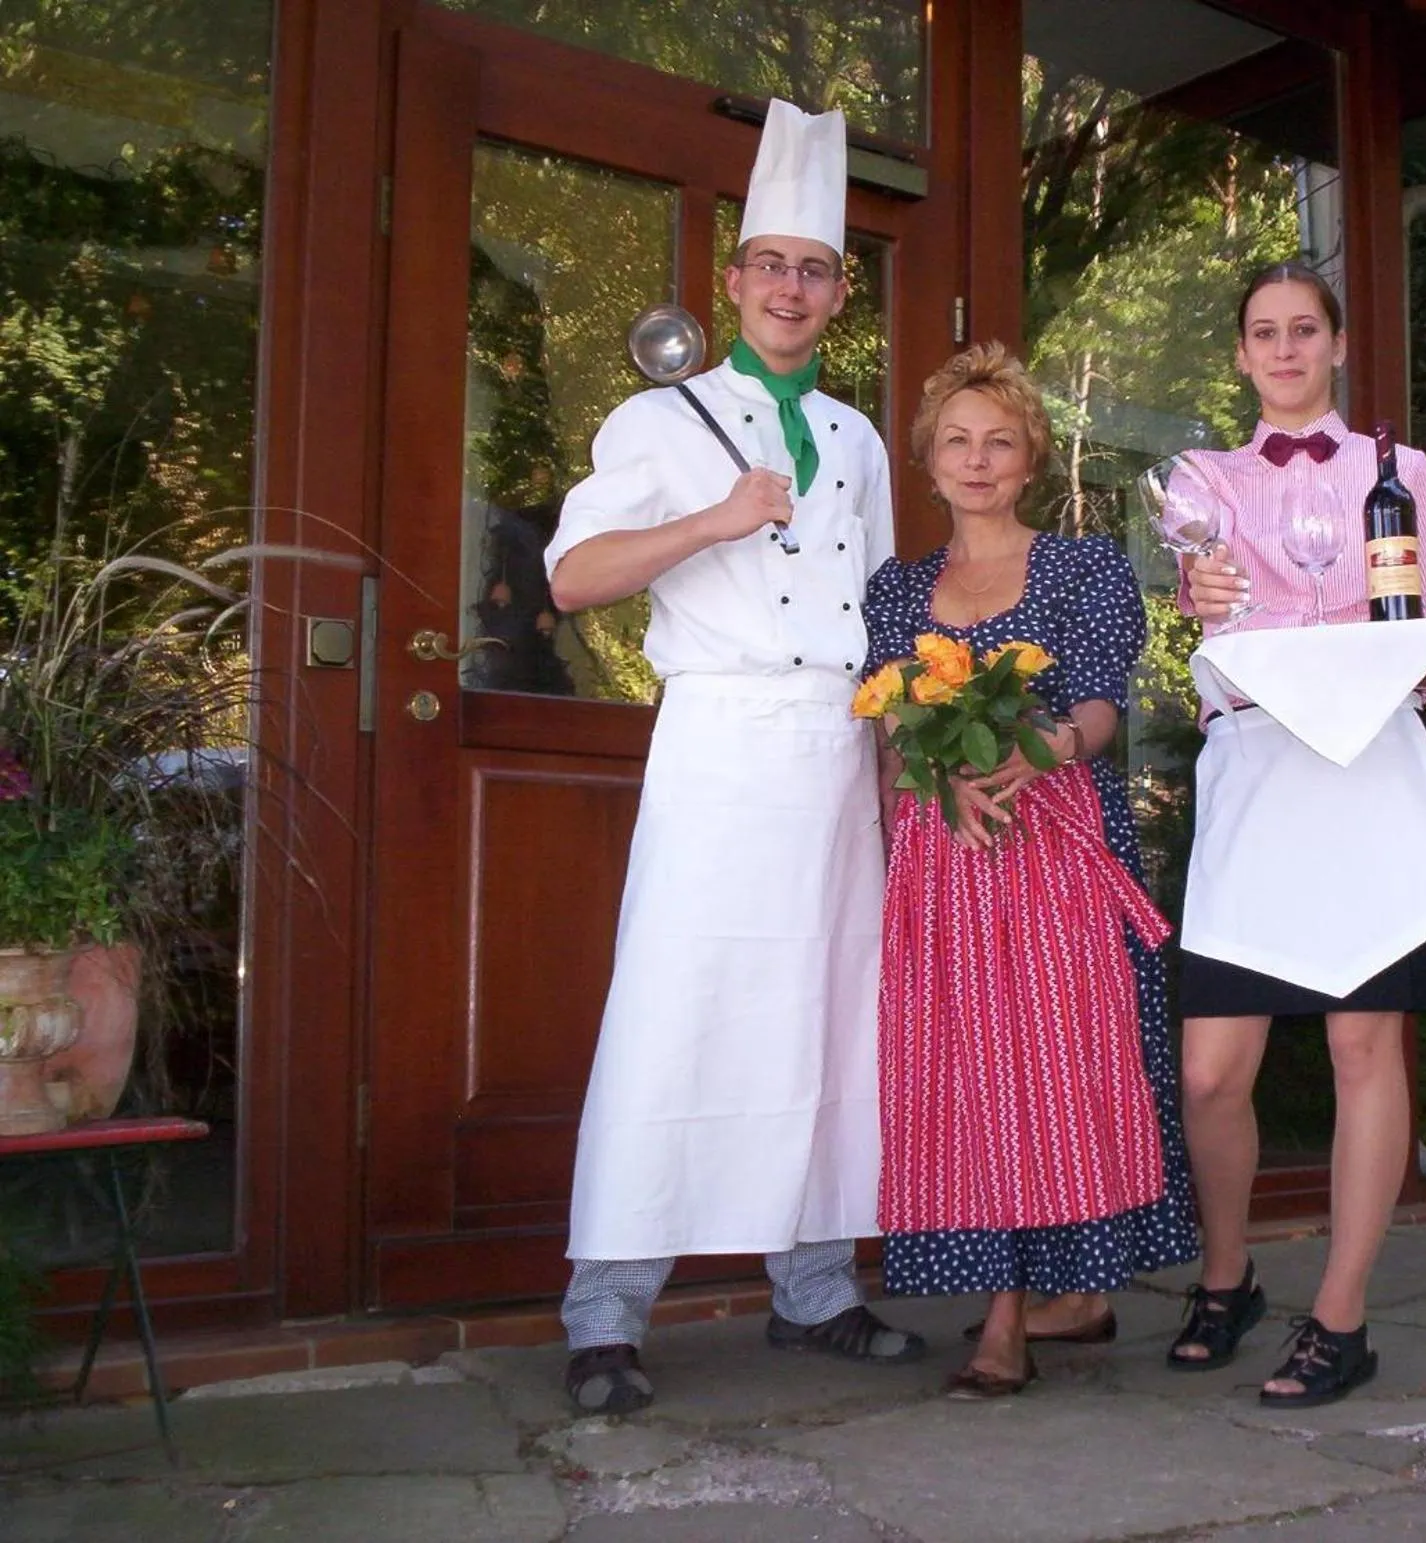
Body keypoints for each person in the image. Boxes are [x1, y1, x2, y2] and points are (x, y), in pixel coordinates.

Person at [543, 99, 923, 1416]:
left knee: (827, 1013)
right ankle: (605, 1311)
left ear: (836, 293)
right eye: (772, 264)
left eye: (815, 269)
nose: (792, 287)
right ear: (737, 278)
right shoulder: (661, 421)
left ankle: (814, 1285)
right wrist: (714, 516)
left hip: (832, 749)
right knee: (678, 1006)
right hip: (714, 741)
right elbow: (575, 573)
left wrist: (885, 754)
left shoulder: (864, 440)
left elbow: (879, 615)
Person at [1168, 260, 1426, 1408]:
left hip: (1370, 775)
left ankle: (1341, 1315)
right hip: (1256, 775)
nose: (1286, 348)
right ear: (1244, 355)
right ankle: (1227, 1272)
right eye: (1265, 332)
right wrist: (1200, 599)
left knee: (1365, 1049)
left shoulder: (1400, 475)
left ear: (1338, 345)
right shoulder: (1200, 481)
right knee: (1210, 1070)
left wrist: (1387, 638)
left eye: (1306, 328)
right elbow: (1201, 626)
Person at [861, 343, 1199, 1397]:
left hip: (1053, 849)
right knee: (969, 1081)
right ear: (927, 460)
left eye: (998, 441)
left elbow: (1101, 705)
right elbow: (887, 732)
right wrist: (929, 793)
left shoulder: (1082, 568)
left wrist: (1034, 750)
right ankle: (1038, 1298)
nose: (976, 459)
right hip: (945, 859)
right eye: (956, 441)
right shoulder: (898, 589)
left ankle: (1020, 1318)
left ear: (1029, 460)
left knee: (1050, 1074)